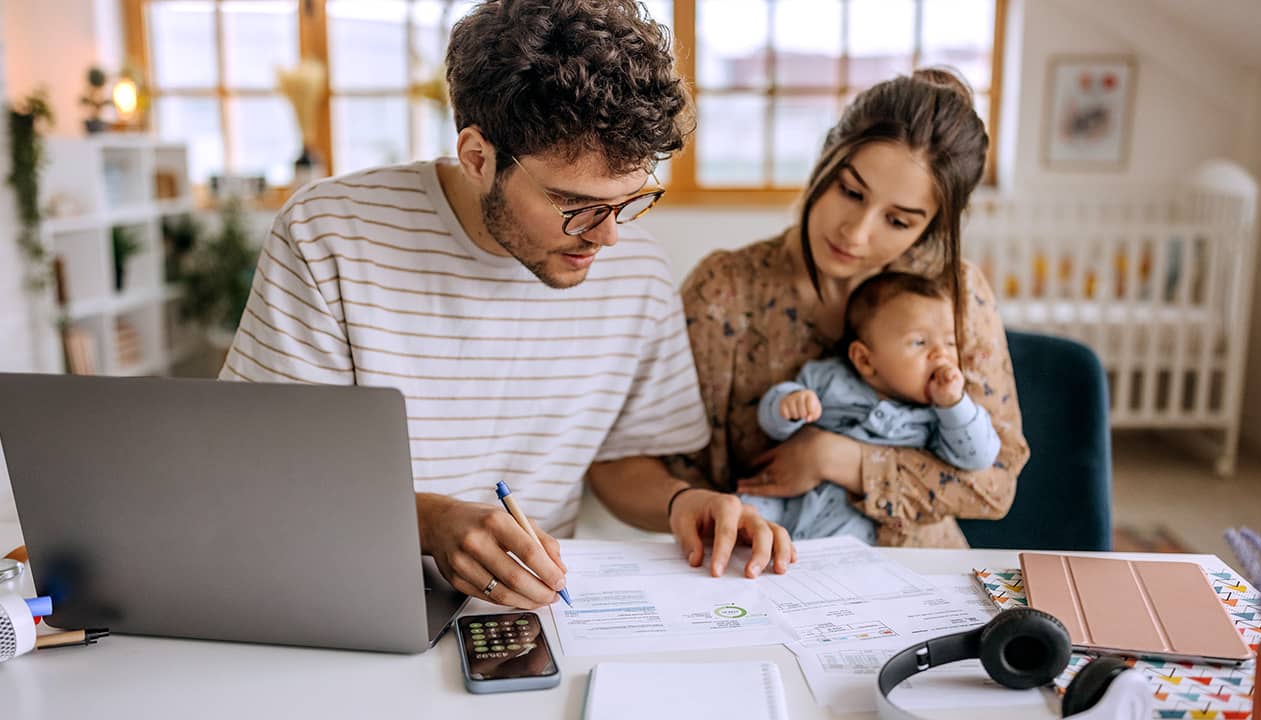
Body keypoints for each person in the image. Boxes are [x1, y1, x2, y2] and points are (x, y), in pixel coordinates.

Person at [219, 0, 795, 610]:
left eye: (630, 200)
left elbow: (621, 464)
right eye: (575, 205)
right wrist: (429, 522)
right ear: (477, 157)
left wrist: (683, 503)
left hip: (532, 612)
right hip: (350, 591)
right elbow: (265, 473)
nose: (608, 236)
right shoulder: (330, 234)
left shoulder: (637, 270)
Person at [668, 68, 1030, 548]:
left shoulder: (956, 293)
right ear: (825, 158)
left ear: (931, 226)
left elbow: (995, 483)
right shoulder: (724, 291)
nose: (855, 233)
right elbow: (672, 471)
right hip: (760, 569)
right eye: (851, 192)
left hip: (918, 580)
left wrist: (835, 458)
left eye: (898, 220)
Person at [747, 271, 1001, 543]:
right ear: (865, 360)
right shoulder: (829, 378)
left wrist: (953, 404)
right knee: (745, 512)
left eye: (951, 343)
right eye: (919, 342)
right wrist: (788, 404)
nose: (942, 354)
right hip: (788, 499)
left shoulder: (938, 416)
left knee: (846, 553)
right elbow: (772, 425)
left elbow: (978, 457)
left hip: (853, 517)